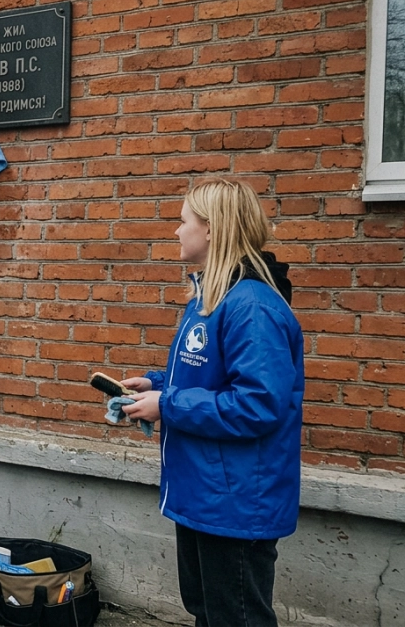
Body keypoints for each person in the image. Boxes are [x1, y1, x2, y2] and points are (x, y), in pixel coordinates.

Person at [120, 179, 304, 627]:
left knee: (236, 619)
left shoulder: (252, 306)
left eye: (183, 221)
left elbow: (258, 403)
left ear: (212, 230)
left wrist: (169, 405)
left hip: (236, 503)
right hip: (205, 493)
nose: (176, 232)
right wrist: (156, 384)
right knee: (209, 613)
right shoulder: (210, 297)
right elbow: (210, 376)